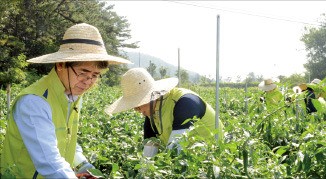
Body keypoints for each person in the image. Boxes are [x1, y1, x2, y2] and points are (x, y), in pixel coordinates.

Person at [0, 23, 130, 178]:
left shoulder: (72, 95)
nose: (88, 82)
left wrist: (83, 166)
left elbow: (67, 140)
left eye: (95, 75)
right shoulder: (34, 102)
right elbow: (49, 162)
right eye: (83, 72)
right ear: (61, 65)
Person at [105, 68, 224, 157]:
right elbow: (148, 154)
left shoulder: (184, 102)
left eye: (137, 105)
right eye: (134, 107)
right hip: (189, 159)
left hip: (214, 158)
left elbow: (176, 150)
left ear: (151, 96)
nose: (137, 110)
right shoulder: (151, 114)